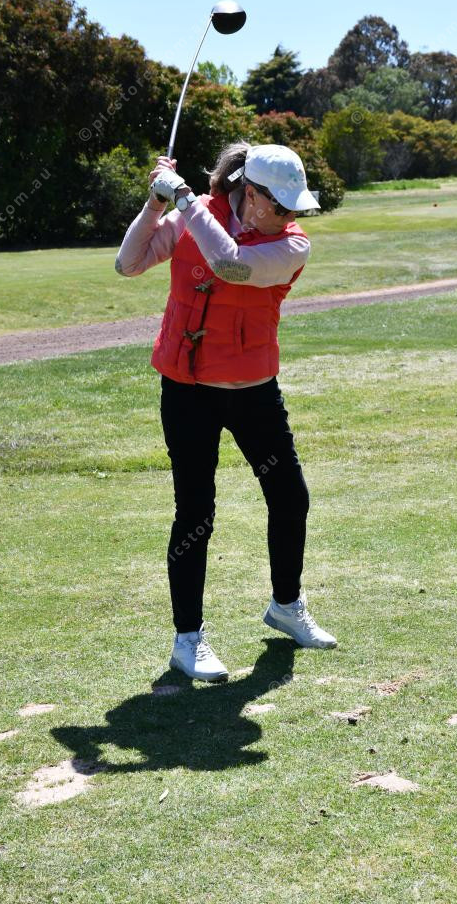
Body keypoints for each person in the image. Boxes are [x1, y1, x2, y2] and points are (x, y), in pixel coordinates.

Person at [115, 141, 337, 682]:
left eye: (293, 207)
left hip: (253, 389)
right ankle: (187, 639)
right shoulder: (195, 215)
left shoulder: (292, 244)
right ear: (250, 193)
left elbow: (230, 265)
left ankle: (286, 605)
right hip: (188, 388)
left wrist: (184, 199)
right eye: (280, 205)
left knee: (290, 496)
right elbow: (128, 263)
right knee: (195, 512)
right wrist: (155, 203)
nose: (289, 216)